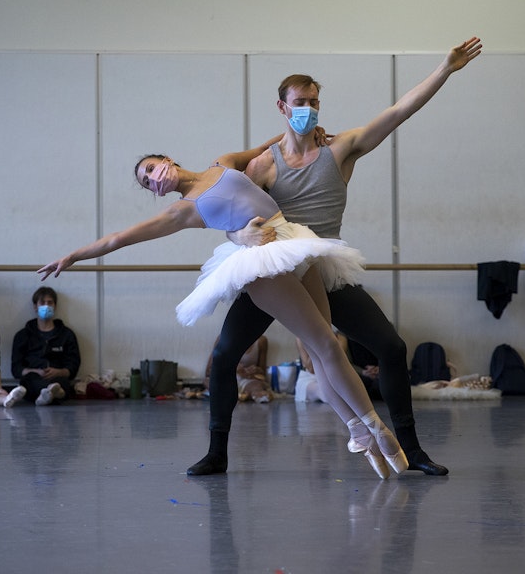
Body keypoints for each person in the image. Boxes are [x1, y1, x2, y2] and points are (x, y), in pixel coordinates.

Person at [191, 36, 483, 476]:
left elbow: (399, 111)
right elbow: (232, 219)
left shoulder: (339, 149)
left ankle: (413, 450)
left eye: (313, 101)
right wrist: (242, 242)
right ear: (282, 107)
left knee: (390, 346)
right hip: (276, 273)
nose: (308, 107)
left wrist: (445, 68)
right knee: (227, 351)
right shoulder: (262, 167)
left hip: (324, 269)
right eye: (299, 101)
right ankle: (217, 453)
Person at [38, 149, 409, 479]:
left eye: (151, 168)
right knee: (325, 344)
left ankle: (358, 430)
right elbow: (118, 238)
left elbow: (274, 146)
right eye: (147, 181)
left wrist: (309, 135)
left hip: (294, 241)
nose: (153, 178)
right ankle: (374, 428)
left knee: (321, 349)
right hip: (262, 264)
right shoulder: (182, 210)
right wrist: (73, 256)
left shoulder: (224, 163)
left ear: (167, 159)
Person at [10, 286, 81, 406]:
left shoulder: (66, 334)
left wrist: (60, 372)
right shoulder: (22, 335)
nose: (46, 306)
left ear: (55, 306)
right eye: (42, 303)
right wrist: (35, 371)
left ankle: (54, 392)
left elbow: (73, 364)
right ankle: (49, 392)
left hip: (58, 378)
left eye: (50, 303)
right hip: (33, 379)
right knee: (29, 381)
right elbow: (16, 368)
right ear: (35, 307)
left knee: (62, 383)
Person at [205, 336, 274, 404]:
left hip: (248, 380)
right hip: (226, 378)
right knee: (208, 381)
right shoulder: (223, 338)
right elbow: (208, 371)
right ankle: (237, 395)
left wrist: (256, 370)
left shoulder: (261, 341)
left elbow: (263, 374)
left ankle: (236, 395)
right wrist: (231, 368)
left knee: (257, 386)